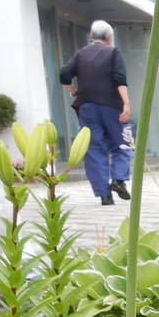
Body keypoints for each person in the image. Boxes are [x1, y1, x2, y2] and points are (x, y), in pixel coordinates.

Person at [59, 20, 132, 206]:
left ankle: (104, 195)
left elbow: (64, 74)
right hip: (112, 107)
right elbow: (120, 80)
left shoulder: (80, 54)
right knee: (122, 143)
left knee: (93, 149)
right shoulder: (113, 52)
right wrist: (126, 103)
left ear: (91, 37)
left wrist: (71, 90)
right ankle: (118, 179)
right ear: (109, 37)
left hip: (88, 107)